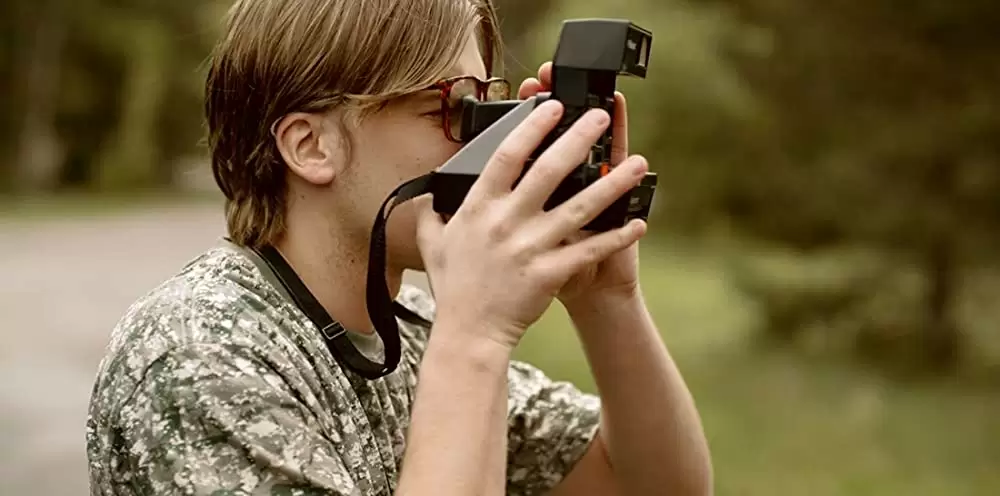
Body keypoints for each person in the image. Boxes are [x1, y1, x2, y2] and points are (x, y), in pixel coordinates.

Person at [85, 0, 713, 494]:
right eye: (451, 107)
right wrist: (475, 340)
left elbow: (651, 488)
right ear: (311, 147)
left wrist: (607, 298)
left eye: (487, 103)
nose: (492, 141)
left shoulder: (417, 334)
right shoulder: (196, 352)